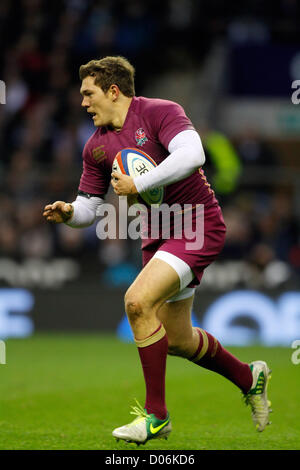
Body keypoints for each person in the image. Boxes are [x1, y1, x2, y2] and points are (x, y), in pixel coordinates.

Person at [43, 56, 272, 445]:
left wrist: (137, 183)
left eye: (88, 93)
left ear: (113, 91)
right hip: (156, 234)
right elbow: (90, 207)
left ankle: (157, 417)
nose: (83, 102)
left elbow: (193, 155)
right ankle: (251, 377)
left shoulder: (161, 112)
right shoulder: (95, 147)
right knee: (178, 340)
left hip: (196, 225)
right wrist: (69, 214)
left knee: (136, 302)